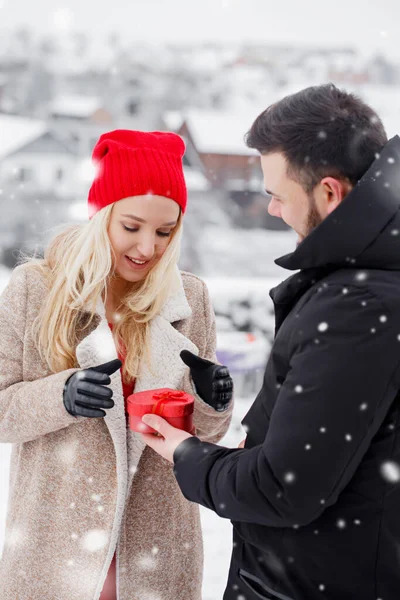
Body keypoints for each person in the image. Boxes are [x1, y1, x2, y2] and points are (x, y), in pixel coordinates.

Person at [140, 84, 400, 600]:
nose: (275, 211)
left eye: (279, 196)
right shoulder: (370, 281)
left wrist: (188, 455)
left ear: (331, 192)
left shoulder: (359, 306)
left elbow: (284, 487)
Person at [0, 129, 234, 600]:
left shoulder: (189, 299)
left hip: (156, 550)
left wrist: (214, 402)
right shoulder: (35, 291)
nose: (148, 248)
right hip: (56, 548)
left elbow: (204, 437)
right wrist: (59, 395)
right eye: (132, 226)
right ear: (100, 215)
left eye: (164, 232)